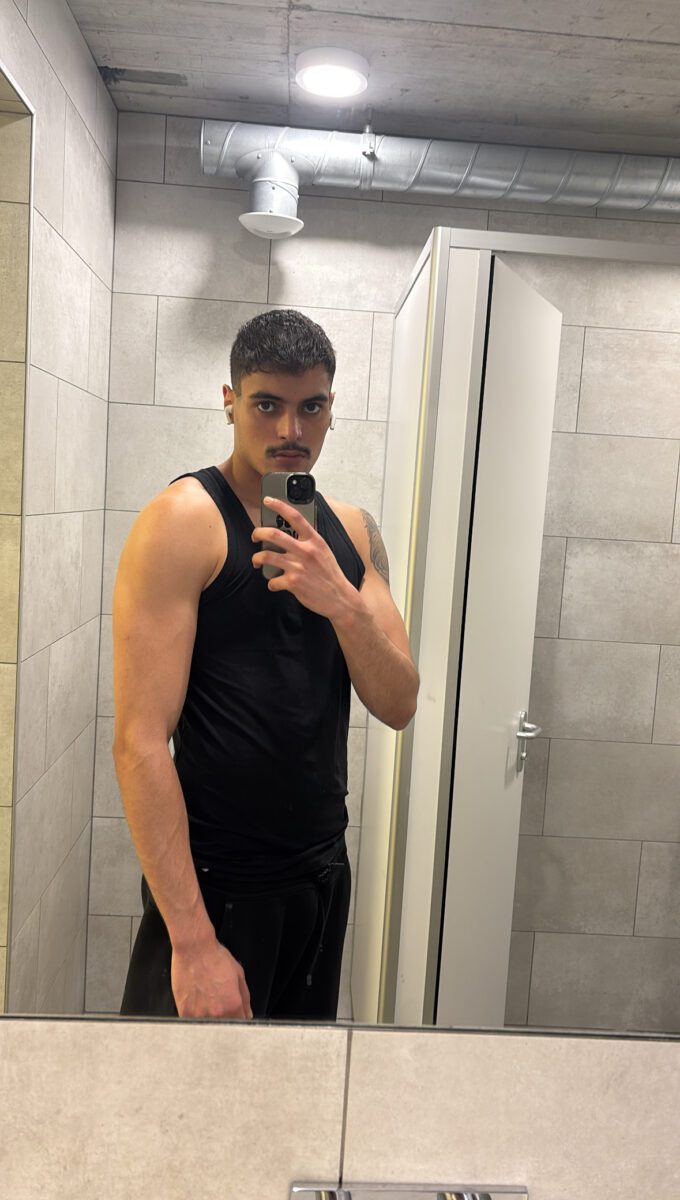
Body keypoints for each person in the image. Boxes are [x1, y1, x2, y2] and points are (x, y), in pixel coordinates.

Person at [114, 308, 419, 1022]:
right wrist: (193, 943)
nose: (290, 430)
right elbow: (139, 742)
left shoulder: (352, 531)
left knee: (296, 1086)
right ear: (230, 402)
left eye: (311, 407)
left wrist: (341, 602)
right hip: (217, 885)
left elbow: (399, 702)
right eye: (266, 405)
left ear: (332, 408)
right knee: (181, 1088)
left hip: (321, 876)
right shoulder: (184, 520)